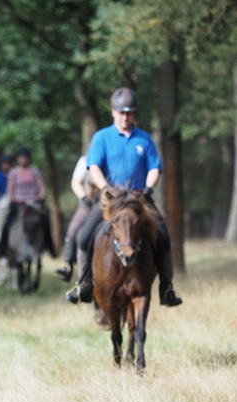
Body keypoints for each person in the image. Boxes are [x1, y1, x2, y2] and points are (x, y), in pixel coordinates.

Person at [64, 88, 182, 308]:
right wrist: (105, 187)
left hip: (139, 199)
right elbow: (94, 167)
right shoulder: (102, 137)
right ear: (113, 112)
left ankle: (166, 287)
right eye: (121, 112)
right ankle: (83, 284)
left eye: (129, 113)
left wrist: (149, 187)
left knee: (163, 237)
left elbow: (155, 168)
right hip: (110, 199)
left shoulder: (144, 139)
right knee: (84, 236)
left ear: (134, 114)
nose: (125, 117)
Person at [0, 147, 56, 257]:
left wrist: (40, 198)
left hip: (33, 203)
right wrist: (13, 200)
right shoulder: (13, 173)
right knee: (7, 222)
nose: (23, 160)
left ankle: (50, 246)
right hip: (18, 203)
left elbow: (42, 187)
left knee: (45, 219)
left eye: (25, 157)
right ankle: (2, 247)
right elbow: (10, 190)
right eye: (21, 158)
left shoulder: (35, 171)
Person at [54, 155, 99, 282]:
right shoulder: (85, 160)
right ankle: (67, 264)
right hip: (89, 203)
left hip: (111, 202)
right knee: (72, 230)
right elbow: (76, 182)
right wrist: (84, 197)